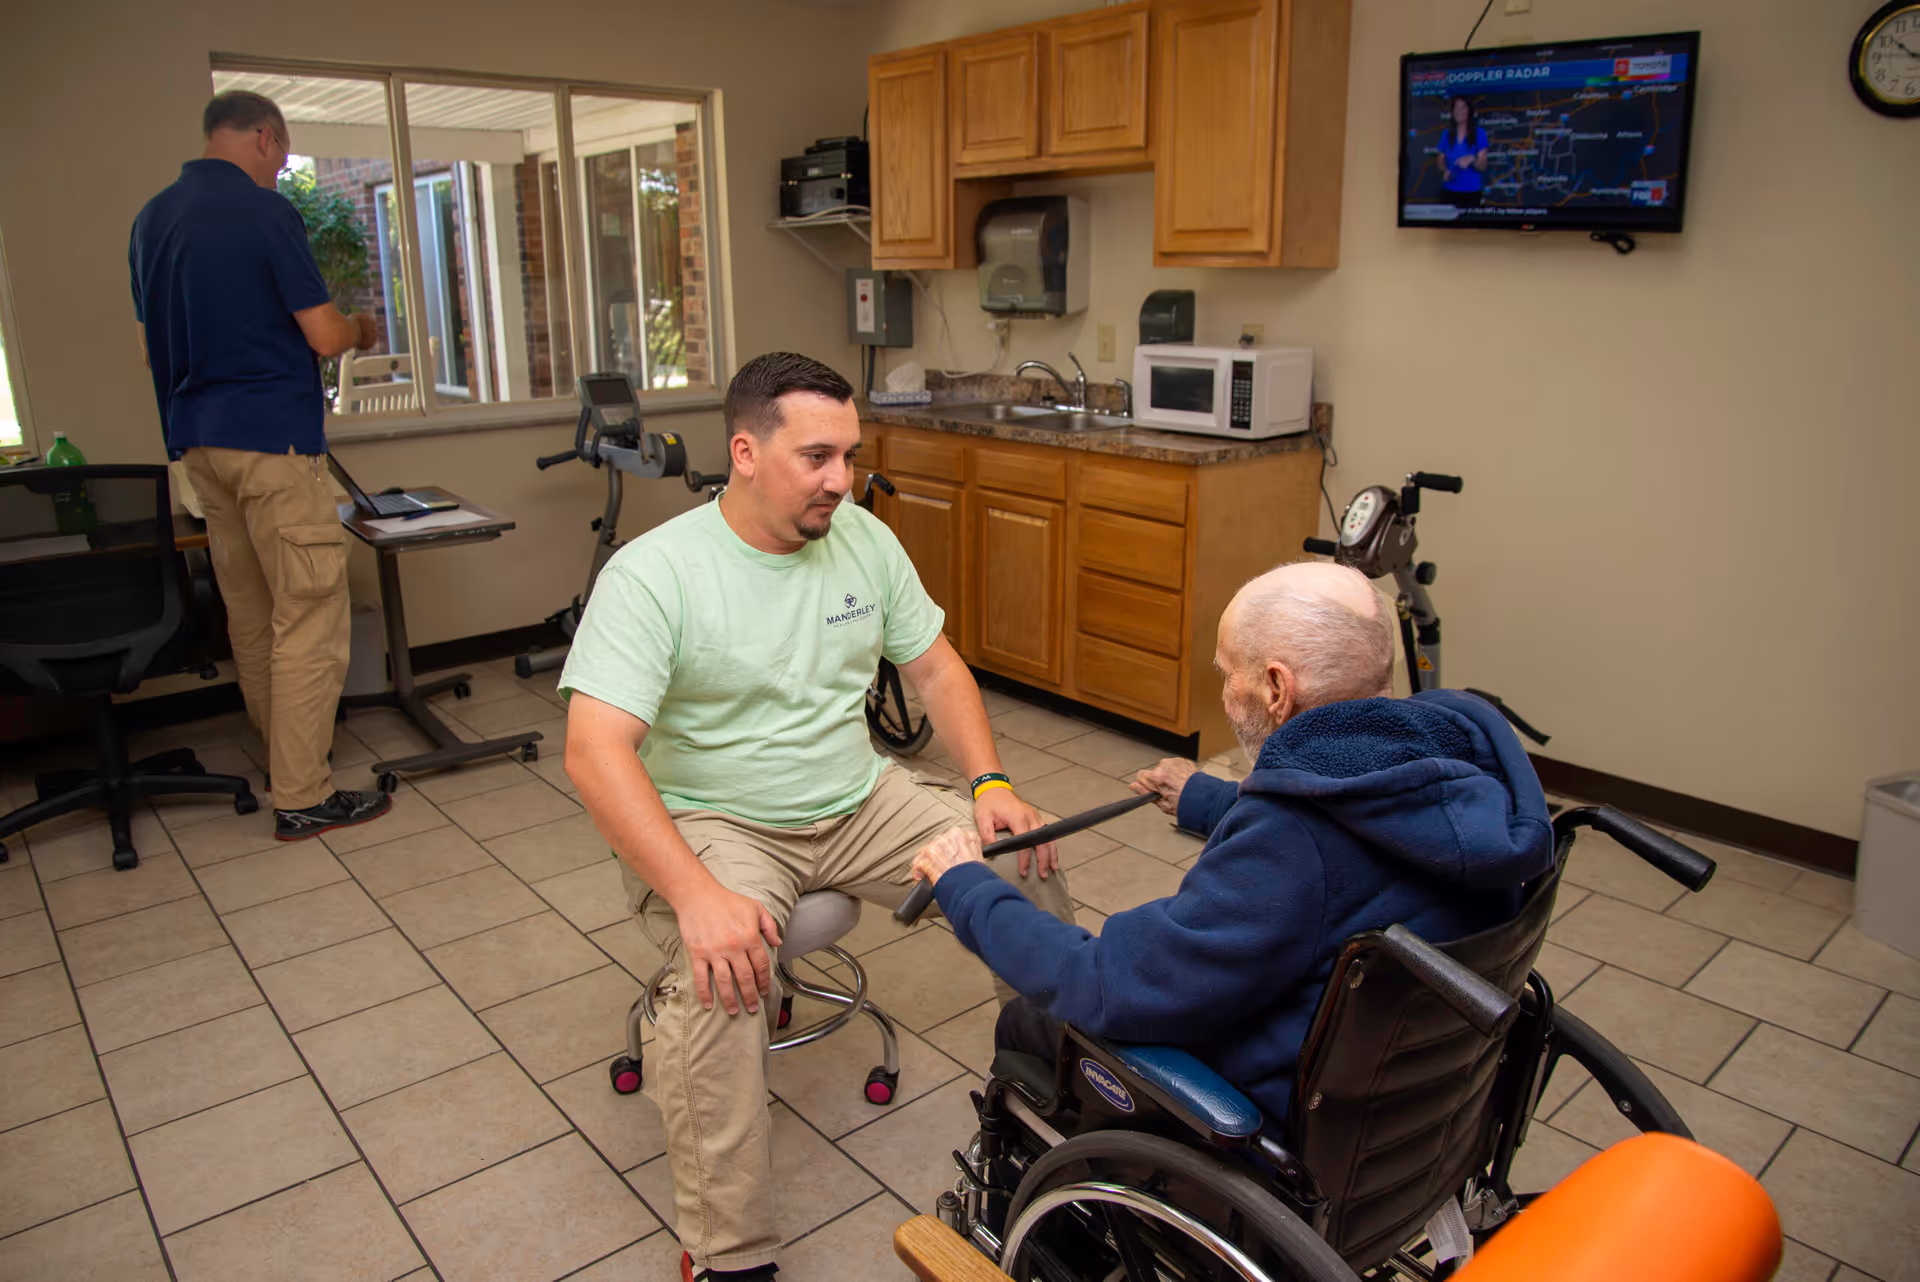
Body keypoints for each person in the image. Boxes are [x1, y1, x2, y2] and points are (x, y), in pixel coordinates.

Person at [560, 351, 1074, 1282]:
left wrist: (992, 786)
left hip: (857, 796)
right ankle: (730, 1255)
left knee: (1024, 866)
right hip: (717, 819)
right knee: (726, 975)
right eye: (818, 458)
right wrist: (694, 893)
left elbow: (935, 668)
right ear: (746, 451)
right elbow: (593, 753)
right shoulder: (655, 575)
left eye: (850, 455)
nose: (843, 479)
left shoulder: (864, 541)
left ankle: (1064, 1145)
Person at [910, 561, 1554, 1124]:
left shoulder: (1287, 845)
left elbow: (1106, 983)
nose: (1223, 694)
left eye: (1227, 674)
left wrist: (967, 886)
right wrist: (1206, 798)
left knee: (1030, 1024)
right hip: (1416, 1111)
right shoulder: (1464, 778)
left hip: (1265, 1115)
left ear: (1276, 689)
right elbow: (1354, 829)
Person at [129, 90, 390, 841]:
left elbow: (153, 346)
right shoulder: (265, 213)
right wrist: (361, 324)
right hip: (272, 444)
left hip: (197, 447)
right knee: (308, 612)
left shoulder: (151, 221)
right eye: (281, 153)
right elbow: (324, 334)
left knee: (250, 610)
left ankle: (283, 761)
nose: (280, 167)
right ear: (267, 139)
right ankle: (303, 792)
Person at [1438, 95, 1490, 208]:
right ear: (1452, 111)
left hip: (1471, 193)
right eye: (1456, 108)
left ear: (1469, 111)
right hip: (1449, 192)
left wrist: (1472, 159)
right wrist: (1445, 171)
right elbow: (1440, 161)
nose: (1459, 111)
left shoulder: (1479, 133)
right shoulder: (1446, 135)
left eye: (1463, 107)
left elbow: (1483, 165)